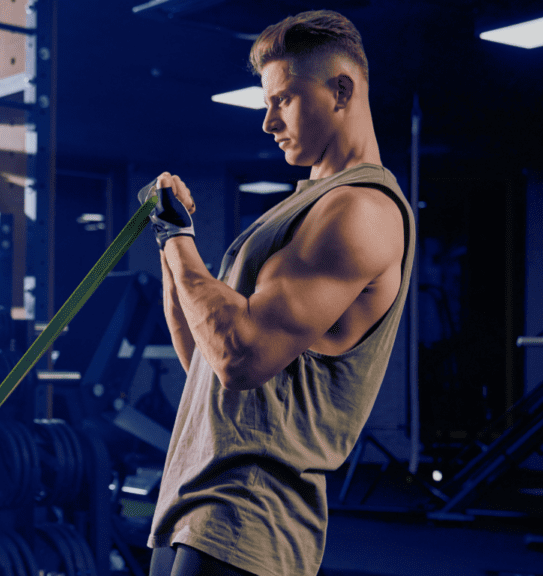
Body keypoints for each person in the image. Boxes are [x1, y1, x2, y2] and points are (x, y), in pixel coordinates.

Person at [141, 9, 416, 576]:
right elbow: (209, 366)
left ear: (341, 91)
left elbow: (242, 357)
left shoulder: (361, 211)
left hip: (247, 518)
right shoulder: (308, 207)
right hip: (194, 506)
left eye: (282, 100)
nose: (267, 122)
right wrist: (173, 249)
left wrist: (179, 239)